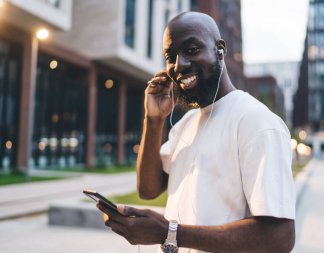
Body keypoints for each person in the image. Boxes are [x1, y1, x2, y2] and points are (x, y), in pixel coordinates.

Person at [97, 11, 296, 253]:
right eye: (170, 56)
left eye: (191, 50)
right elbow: (148, 190)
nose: (179, 65)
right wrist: (153, 120)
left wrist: (169, 233)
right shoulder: (186, 124)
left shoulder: (257, 122)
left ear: (219, 49)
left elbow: (280, 237)